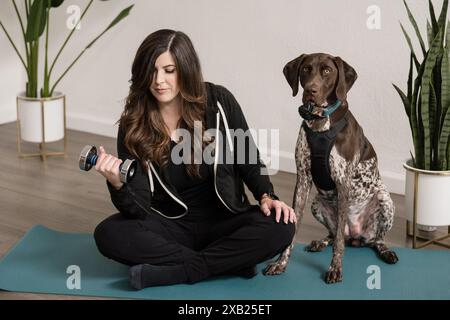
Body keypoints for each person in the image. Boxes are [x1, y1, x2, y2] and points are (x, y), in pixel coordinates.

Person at [93, 29, 295, 290]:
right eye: (151, 71)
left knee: (281, 226)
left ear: (186, 70)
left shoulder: (219, 101)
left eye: (169, 70)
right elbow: (139, 206)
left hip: (226, 220)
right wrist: (119, 184)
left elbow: (248, 157)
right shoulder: (133, 123)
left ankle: (176, 271)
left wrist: (267, 196)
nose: (159, 80)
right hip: (171, 226)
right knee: (108, 234)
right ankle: (228, 262)